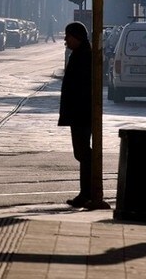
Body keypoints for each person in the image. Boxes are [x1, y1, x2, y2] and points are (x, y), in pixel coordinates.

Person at [58, 21, 92, 208]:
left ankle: (88, 192)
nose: (65, 40)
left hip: (81, 113)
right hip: (79, 112)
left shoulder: (83, 56)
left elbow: (81, 87)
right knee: (82, 153)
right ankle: (86, 191)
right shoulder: (80, 54)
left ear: (77, 37)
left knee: (83, 153)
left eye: (68, 36)